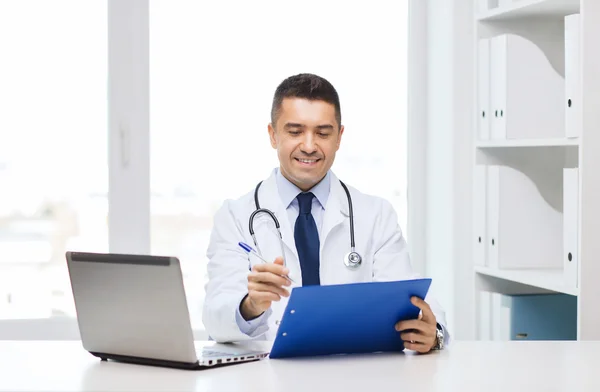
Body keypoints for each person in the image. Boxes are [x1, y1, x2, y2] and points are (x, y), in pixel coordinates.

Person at [202, 73, 449, 353]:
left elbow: (413, 299)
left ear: (339, 137)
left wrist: (433, 333)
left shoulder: (376, 214)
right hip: (268, 377)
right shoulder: (234, 217)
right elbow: (215, 316)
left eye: (322, 132)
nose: (309, 145)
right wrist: (251, 305)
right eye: (295, 131)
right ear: (273, 135)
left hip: (352, 375)